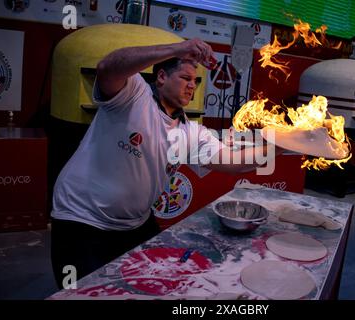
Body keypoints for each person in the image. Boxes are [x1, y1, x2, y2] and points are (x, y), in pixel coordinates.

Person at [50, 38, 282, 288]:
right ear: (161, 77)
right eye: (185, 78)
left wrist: (282, 147)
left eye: (195, 81)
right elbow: (108, 67)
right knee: (80, 292)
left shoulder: (191, 132)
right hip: (82, 219)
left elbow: (234, 162)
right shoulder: (134, 95)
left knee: (152, 286)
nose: (192, 86)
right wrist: (179, 49)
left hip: (133, 224)